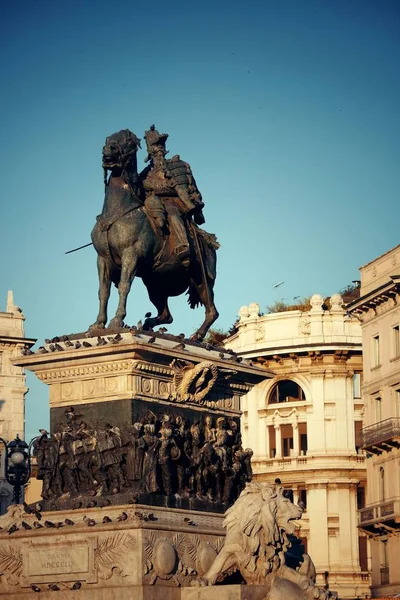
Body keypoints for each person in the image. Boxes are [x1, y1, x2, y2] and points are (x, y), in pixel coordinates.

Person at [141, 125, 205, 267]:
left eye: (160, 145)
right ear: (150, 151)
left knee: (172, 214)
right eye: (155, 146)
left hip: (174, 203)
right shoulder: (146, 173)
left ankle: (183, 245)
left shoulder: (177, 166)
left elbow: (190, 187)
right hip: (153, 205)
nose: (159, 150)